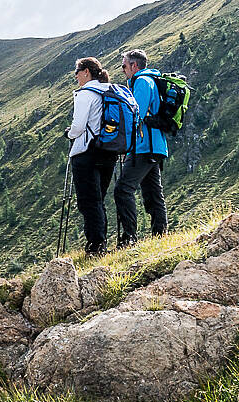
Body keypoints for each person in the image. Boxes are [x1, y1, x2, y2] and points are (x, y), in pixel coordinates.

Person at [66, 57, 117, 256]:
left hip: (87, 152)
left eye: (77, 72)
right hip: (108, 151)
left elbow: (78, 126)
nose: (76, 76)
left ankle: (95, 247)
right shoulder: (109, 90)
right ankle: (100, 243)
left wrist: (69, 133)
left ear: (86, 71)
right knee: (99, 199)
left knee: (88, 201)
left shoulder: (85, 94)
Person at [117, 49, 168, 247]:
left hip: (144, 146)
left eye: (124, 66)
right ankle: (160, 237)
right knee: (153, 193)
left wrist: (124, 145)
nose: (123, 70)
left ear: (134, 66)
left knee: (123, 189)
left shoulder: (142, 82)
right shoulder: (149, 80)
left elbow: (134, 116)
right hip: (153, 146)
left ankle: (129, 239)